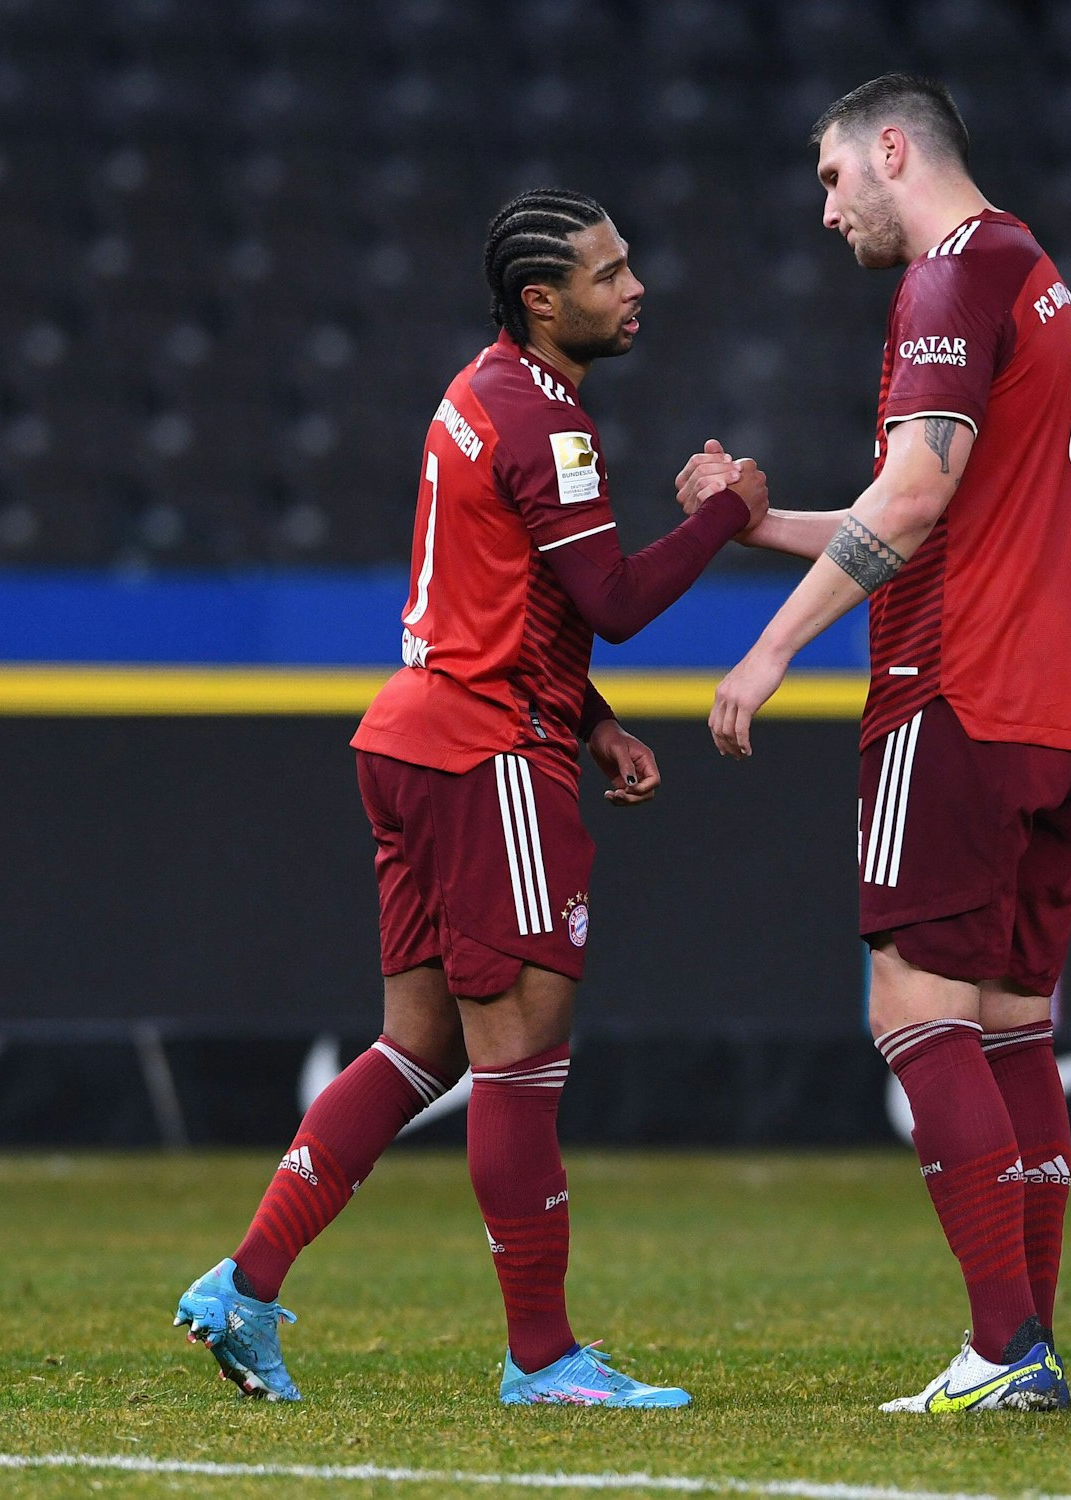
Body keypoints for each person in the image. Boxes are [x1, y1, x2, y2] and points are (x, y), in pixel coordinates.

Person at [175, 188, 767, 1408]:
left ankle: (243, 1286)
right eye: (608, 274)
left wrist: (593, 721)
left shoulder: (475, 390)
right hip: (487, 751)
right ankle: (542, 1359)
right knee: (520, 1060)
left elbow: (497, 597)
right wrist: (725, 517)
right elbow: (606, 600)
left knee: (419, 1046)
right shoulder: (544, 422)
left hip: (413, 731)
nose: (635, 287)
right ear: (541, 302)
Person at [679, 75, 1071, 1412]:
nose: (825, 211)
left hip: (958, 688)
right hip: (1064, 708)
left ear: (889, 149)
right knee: (1012, 1027)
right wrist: (760, 531)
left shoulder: (945, 280)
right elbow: (928, 499)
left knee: (914, 1008)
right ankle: (1028, 1348)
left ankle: (1001, 1347)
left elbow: (916, 498)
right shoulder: (1036, 277)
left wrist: (772, 646)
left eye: (828, 178)